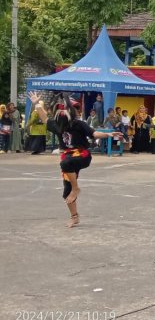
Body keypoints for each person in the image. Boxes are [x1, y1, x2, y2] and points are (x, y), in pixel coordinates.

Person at [28, 91, 123, 227]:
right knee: (66, 191)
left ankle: (76, 188)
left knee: (65, 163)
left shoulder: (78, 124)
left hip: (82, 155)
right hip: (68, 157)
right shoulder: (57, 125)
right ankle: (74, 216)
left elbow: (94, 133)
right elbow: (44, 118)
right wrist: (37, 103)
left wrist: (108, 135)